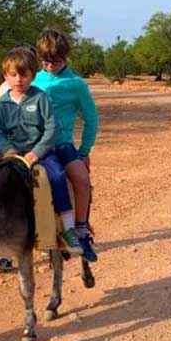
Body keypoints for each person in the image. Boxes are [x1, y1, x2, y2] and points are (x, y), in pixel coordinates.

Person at [0, 47, 83, 256]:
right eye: (13, 75)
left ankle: (68, 230)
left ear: (33, 75)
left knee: (58, 177)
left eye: (24, 74)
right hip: (13, 155)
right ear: (5, 76)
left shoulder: (40, 98)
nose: (18, 80)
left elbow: (52, 128)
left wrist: (37, 153)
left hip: (41, 153)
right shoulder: (3, 103)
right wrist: (8, 149)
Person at [32, 29, 99, 263]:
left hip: (62, 145)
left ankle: (80, 231)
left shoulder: (75, 84)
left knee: (82, 179)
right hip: (33, 146)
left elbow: (91, 118)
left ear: (66, 56)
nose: (50, 65)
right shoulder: (32, 79)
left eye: (56, 60)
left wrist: (84, 151)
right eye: (46, 60)